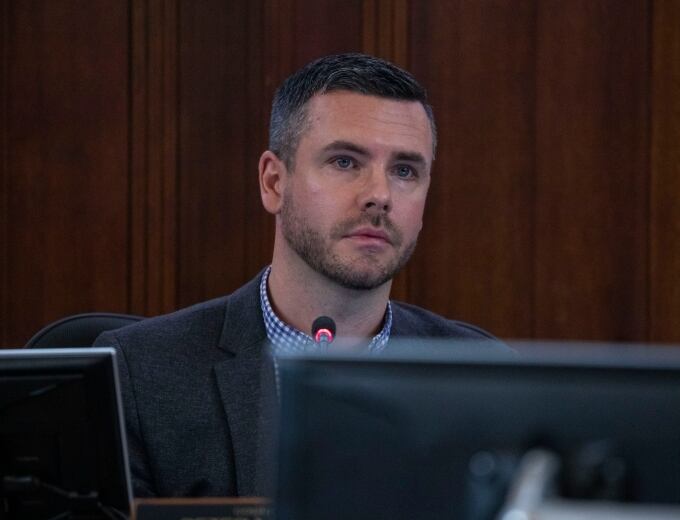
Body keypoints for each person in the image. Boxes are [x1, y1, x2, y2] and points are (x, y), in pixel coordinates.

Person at [94, 53, 495, 498]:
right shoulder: (138, 375)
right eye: (345, 162)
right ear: (273, 183)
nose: (379, 195)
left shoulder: (483, 376)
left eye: (405, 171)